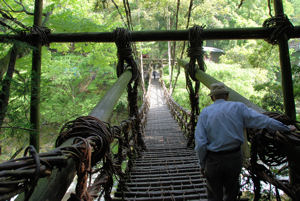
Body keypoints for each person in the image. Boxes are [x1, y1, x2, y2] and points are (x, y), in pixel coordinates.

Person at [194, 82, 296, 201]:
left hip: (213, 160)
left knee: (214, 196)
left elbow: (200, 143)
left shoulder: (205, 113)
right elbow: (263, 120)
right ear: (227, 96)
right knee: (231, 193)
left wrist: (202, 164)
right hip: (234, 158)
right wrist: (285, 128)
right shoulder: (238, 107)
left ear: (212, 98)